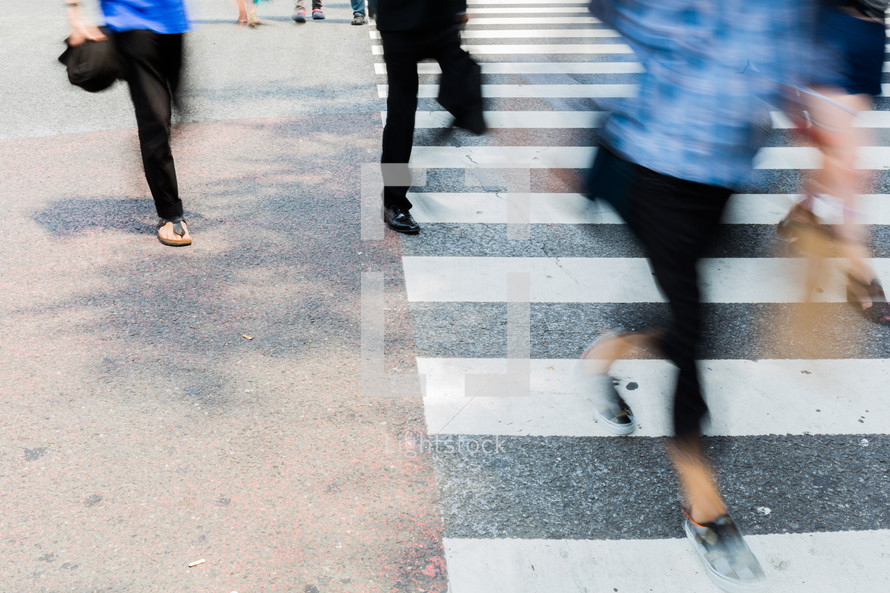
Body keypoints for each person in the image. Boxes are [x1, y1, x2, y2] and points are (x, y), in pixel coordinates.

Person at [581, 1, 815, 591]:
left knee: (689, 319)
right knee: (693, 331)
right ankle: (703, 506)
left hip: (721, 177)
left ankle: (610, 351)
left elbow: (790, 63)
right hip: (652, 170)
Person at [778, 0, 890, 324]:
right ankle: (859, 271)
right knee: (849, 165)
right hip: (833, 29)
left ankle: (804, 211)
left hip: (868, 31)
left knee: (837, 153)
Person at [64, 0, 192, 246]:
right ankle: (170, 214)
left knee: (177, 110)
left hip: (174, 20)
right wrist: (75, 15)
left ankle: (154, 157)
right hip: (130, 23)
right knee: (155, 119)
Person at [376, 0, 484, 234]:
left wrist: (458, 7)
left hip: (440, 17)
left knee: (464, 75)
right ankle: (393, 202)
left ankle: (464, 111)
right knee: (401, 114)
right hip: (398, 22)